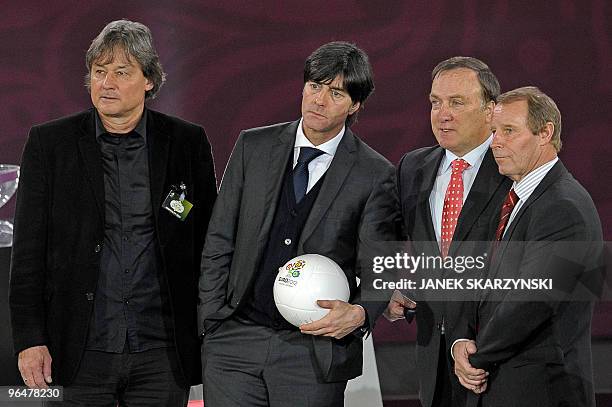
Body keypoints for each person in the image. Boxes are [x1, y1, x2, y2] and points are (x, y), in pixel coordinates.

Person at [9, 19, 217, 406]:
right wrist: (30, 339)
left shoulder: (187, 143)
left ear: (149, 80)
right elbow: (27, 254)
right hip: (77, 350)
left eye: (121, 72)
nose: (107, 83)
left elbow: (210, 241)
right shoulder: (50, 144)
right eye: (99, 72)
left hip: (163, 351)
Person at [198, 41, 400, 407]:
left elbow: (379, 268)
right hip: (233, 342)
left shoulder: (376, 174)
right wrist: (212, 320)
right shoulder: (252, 146)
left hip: (312, 353)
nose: (319, 100)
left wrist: (359, 313)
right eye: (314, 86)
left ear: (355, 105)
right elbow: (220, 238)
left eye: (335, 92)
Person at [450, 86, 603, 407]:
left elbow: (532, 301)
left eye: (508, 131)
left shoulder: (563, 206)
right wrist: (462, 339)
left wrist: (478, 358)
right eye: (493, 131)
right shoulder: (515, 198)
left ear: (545, 132)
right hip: (507, 382)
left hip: (542, 389)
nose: (496, 142)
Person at [385, 56, 511, 407]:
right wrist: (395, 284)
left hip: (491, 355)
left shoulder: (513, 169)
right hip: (432, 357)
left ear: (490, 111)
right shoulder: (413, 166)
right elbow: (387, 237)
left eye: (457, 102)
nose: (443, 114)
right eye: (436, 102)